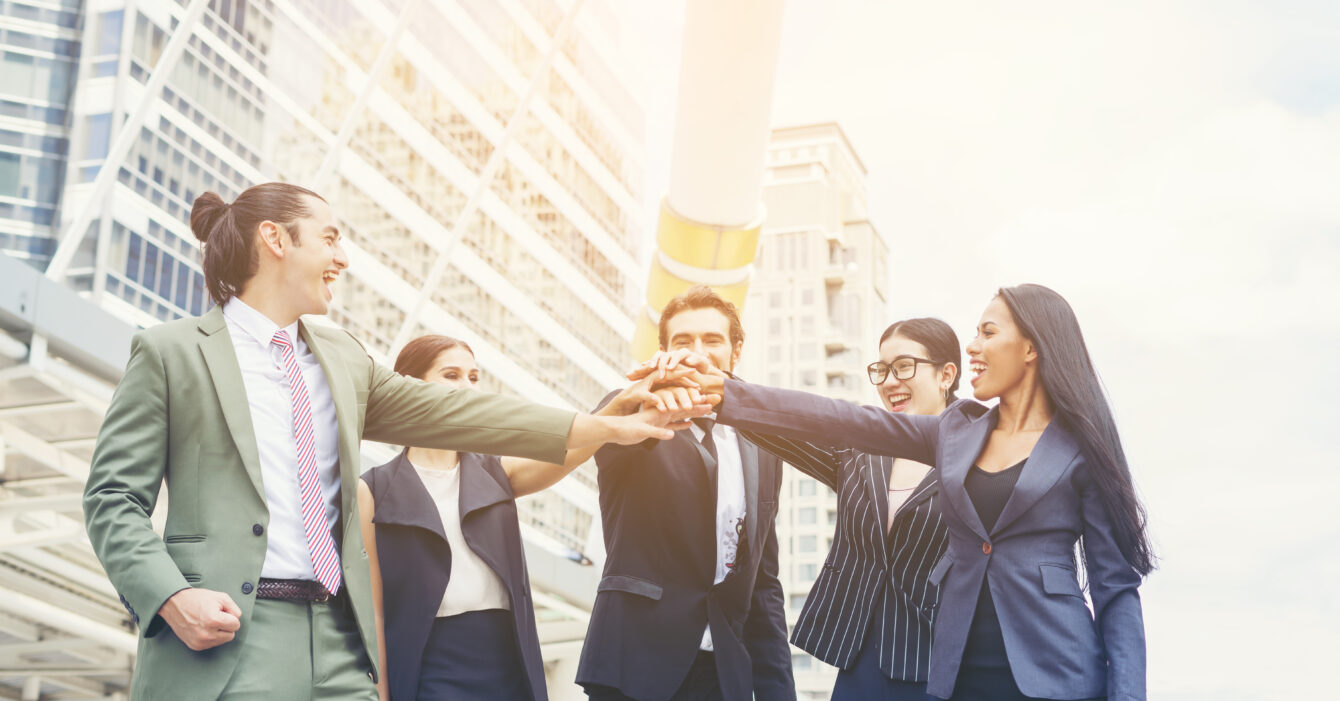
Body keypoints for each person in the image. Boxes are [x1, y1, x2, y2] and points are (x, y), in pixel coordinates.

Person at [82, 183, 692, 701]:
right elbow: (112, 499)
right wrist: (170, 597)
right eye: (329, 238)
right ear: (275, 240)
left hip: (341, 643)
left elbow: (461, 416)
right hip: (232, 637)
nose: (342, 257)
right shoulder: (170, 353)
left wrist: (604, 423)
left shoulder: (343, 359)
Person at [653, 284, 1152, 701]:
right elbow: (841, 419)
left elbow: (1115, 590)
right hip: (953, 669)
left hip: (1055, 667)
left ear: (1032, 346)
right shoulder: (956, 434)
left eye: (987, 332)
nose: (973, 345)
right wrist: (726, 392)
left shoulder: (1081, 450)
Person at [358, 335, 686, 700]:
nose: (466, 387)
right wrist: (381, 694)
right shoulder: (372, 491)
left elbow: (571, 450)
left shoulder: (497, 471)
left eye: (473, 377)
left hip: (507, 663)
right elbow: (374, 616)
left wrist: (616, 413)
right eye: (451, 375)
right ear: (408, 386)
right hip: (428, 666)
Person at [719, 318, 960, 700]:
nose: (889, 381)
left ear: (946, 374)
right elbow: (782, 427)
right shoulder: (861, 450)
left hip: (940, 665)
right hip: (859, 663)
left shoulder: (979, 450)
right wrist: (717, 388)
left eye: (903, 367)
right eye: (881, 370)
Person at [576, 286, 795, 701]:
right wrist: (652, 399)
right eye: (683, 341)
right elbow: (603, 434)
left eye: (712, 340)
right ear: (662, 352)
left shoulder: (763, 443)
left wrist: (777, 690)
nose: (698, 352)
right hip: (634, 668)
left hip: (723, 672)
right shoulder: (632, 416)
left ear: (736, 351)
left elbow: (763, 582)